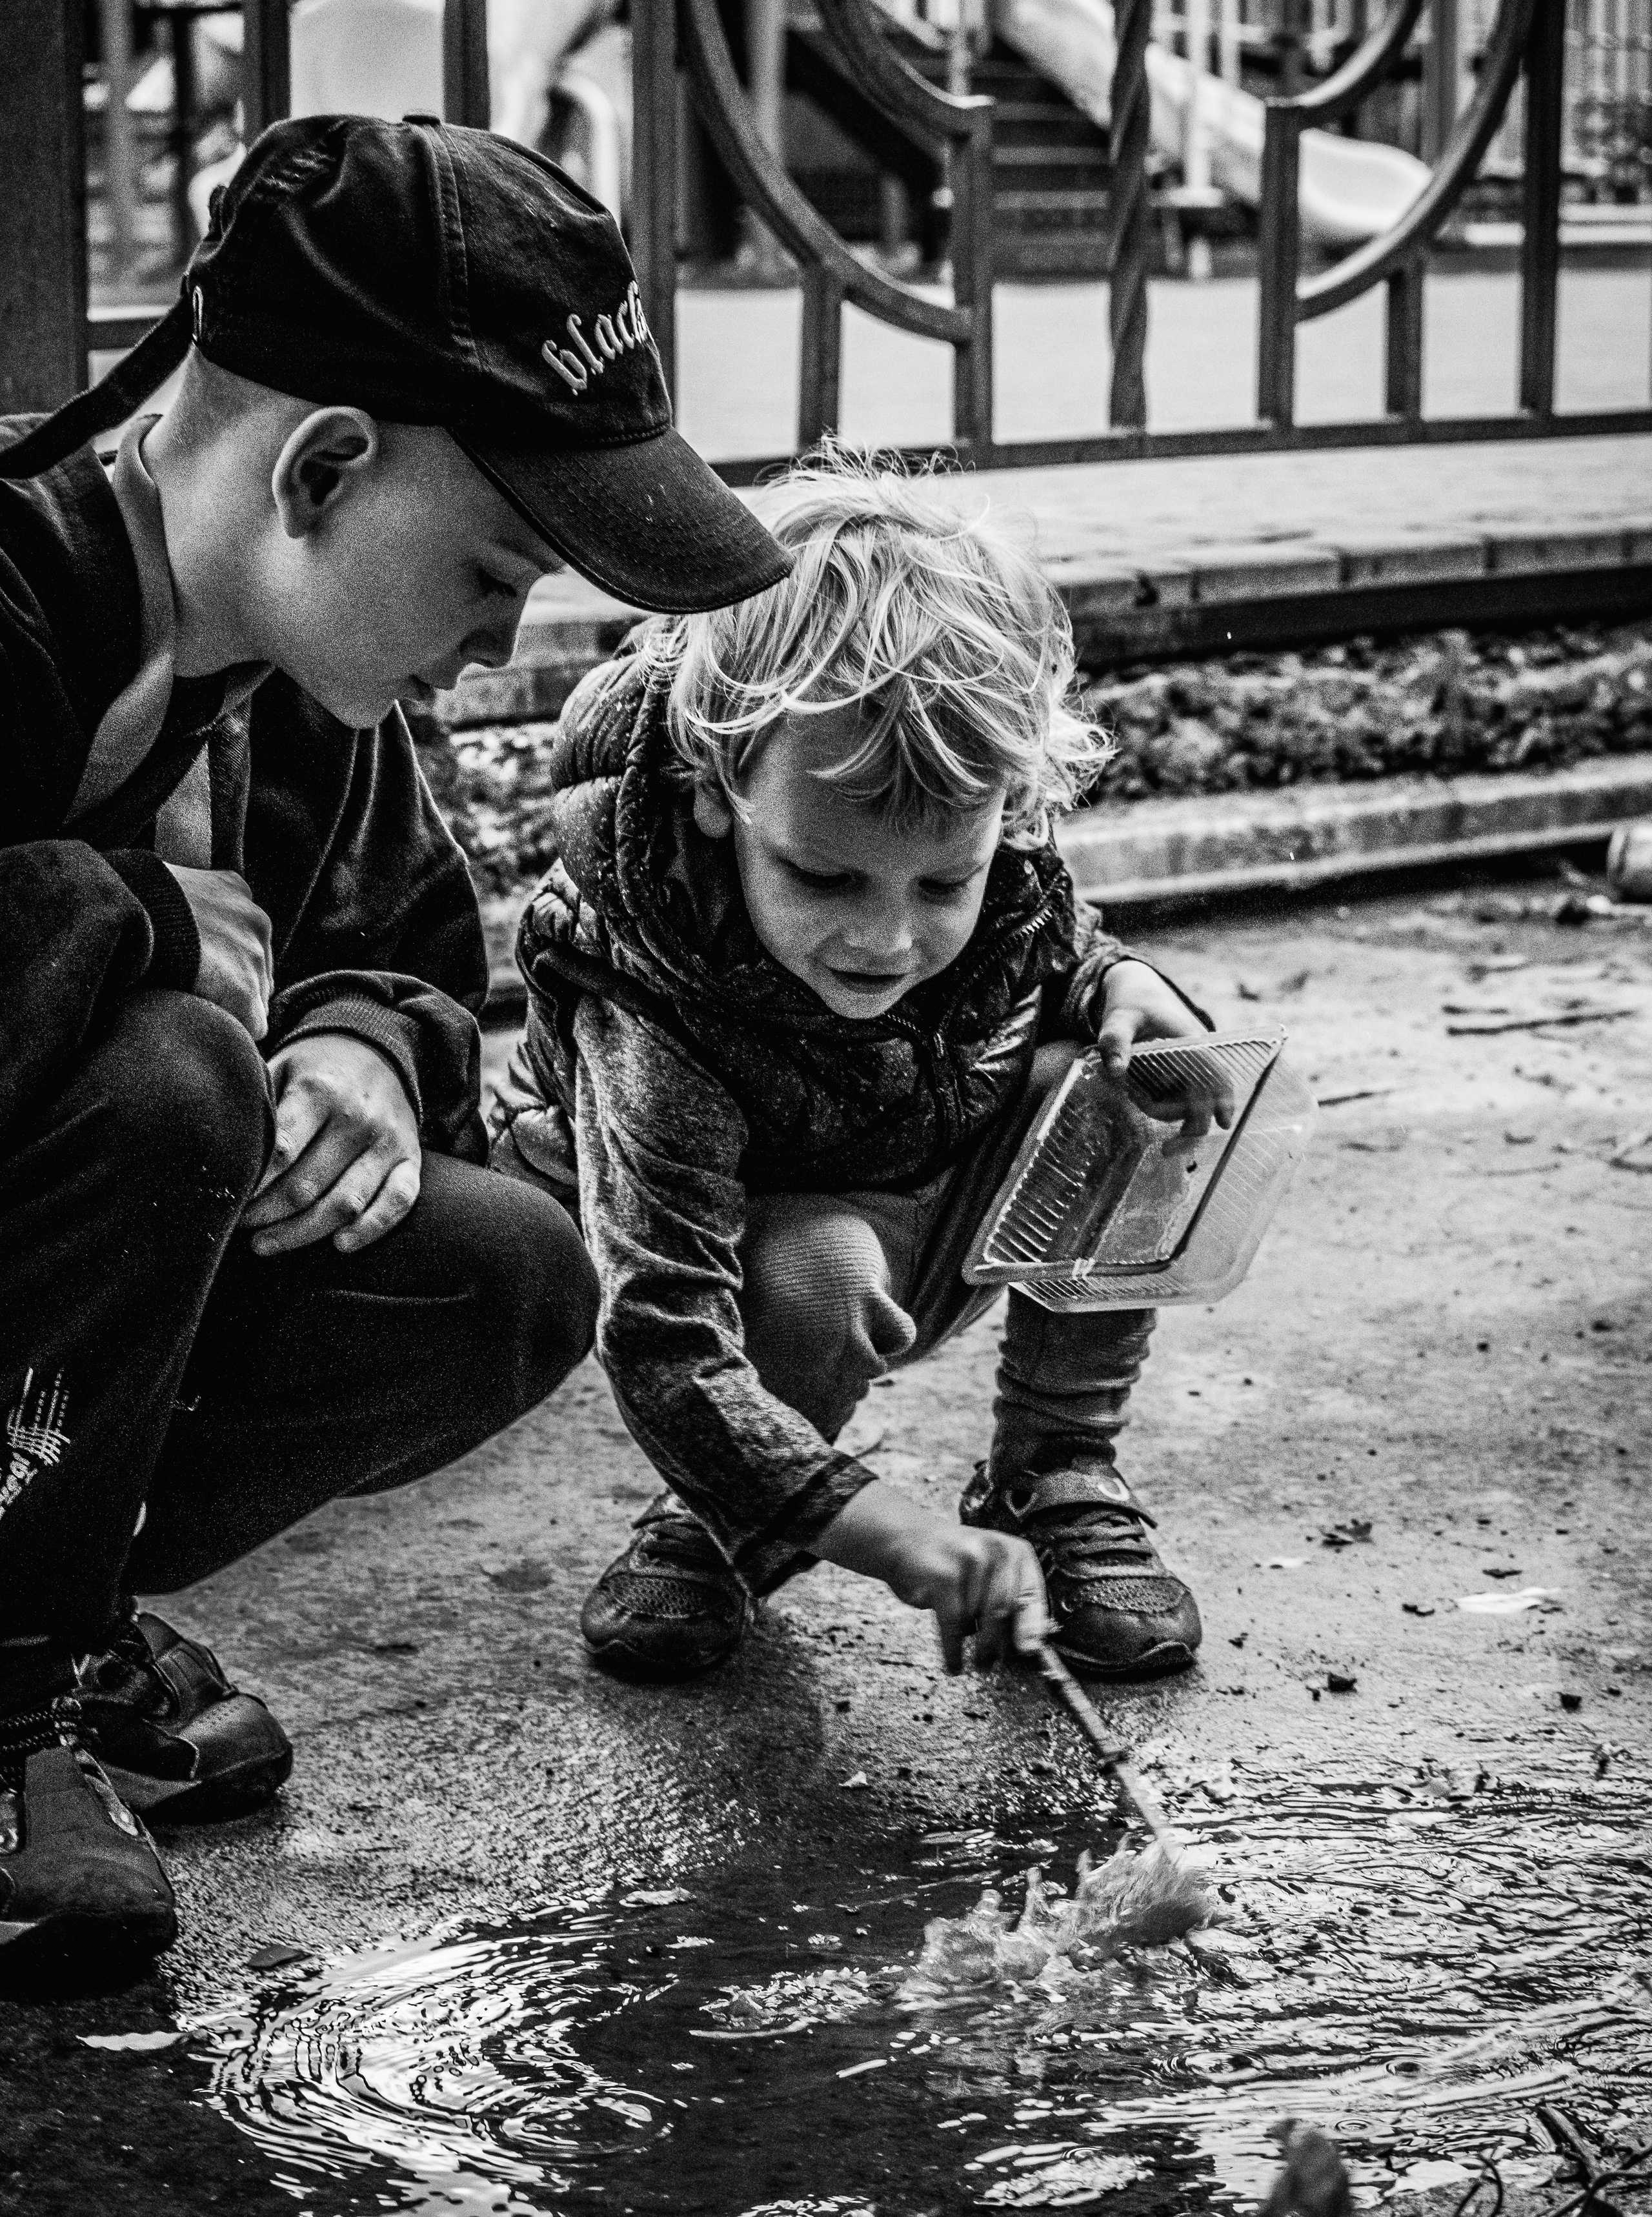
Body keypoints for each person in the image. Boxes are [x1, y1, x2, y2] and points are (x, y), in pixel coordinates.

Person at [0, 112, 791, 1976]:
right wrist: (123, 919)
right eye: (493, 571)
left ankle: (53, 1602)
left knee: (503, 1266)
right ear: (324, 466)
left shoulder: (302, 689)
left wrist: (359, 1041)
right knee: (176, 1068)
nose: (502, 642)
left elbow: (413, 948)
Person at [491, 453, 1233, 1688]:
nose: (888, 940)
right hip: (747, 1258)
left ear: (1013, 806)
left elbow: (1051, 945)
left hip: (919, 1178)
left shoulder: (997, 863)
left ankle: (1050, 1471)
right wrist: (893, 1541)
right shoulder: (650, 996)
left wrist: (1124, 987)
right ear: (719, 787)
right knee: (822, 1273)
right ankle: (725, 1515)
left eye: (944, 882)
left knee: (1121, 1088)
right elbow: (665, 1334)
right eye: (826, 879)